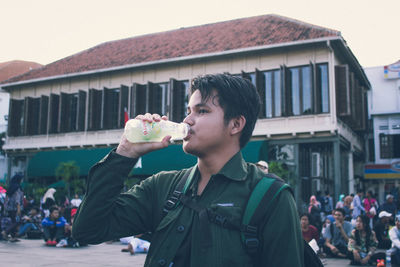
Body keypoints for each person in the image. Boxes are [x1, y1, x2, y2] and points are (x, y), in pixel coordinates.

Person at [72, 74, 304, 266]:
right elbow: (87, 230)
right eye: (188, 110)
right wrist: (125, 153)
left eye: (201, 111)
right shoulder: (162, 186)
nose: (187, 120)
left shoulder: (271, 197)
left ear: (235, 124)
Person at [1, 173, 24, 242]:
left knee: (14, 221)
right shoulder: (18, 188)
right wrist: (18, 208)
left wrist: (5, 208)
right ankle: (5, 232)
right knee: (18, 221)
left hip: (9, 208)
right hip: (16, 208)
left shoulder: (11, 187)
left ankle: (13, 237)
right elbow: (17, 199)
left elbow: (6, 198)